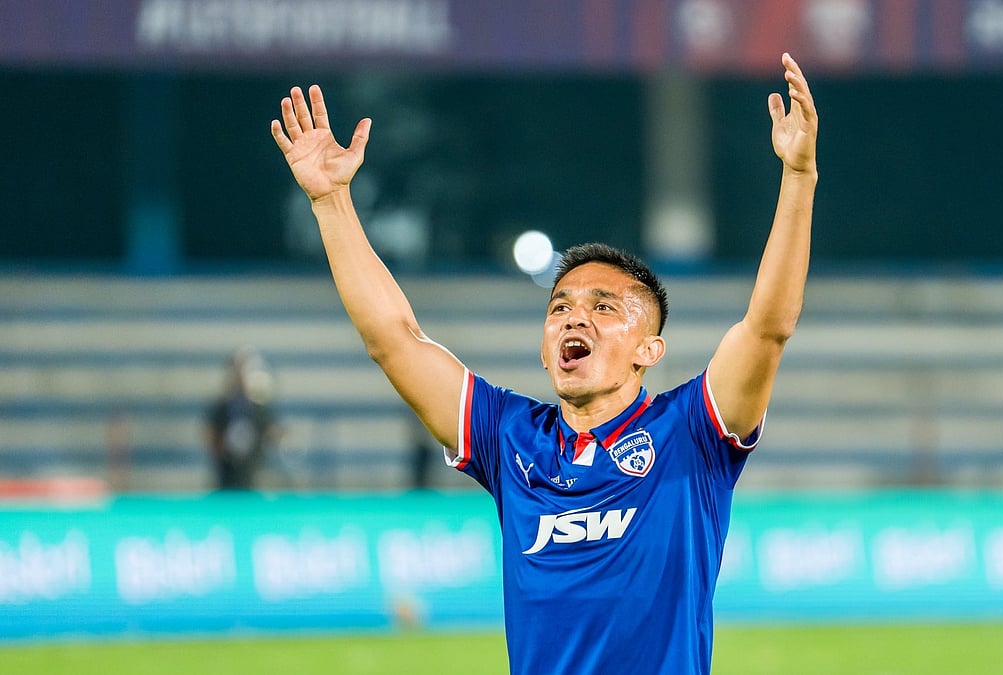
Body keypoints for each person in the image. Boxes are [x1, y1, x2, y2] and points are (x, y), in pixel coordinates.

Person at [271, 52, 817, 675]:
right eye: (560, 305)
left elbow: (768, 328)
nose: (574, 317)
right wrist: (331, 201)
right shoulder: (511, 437)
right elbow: (396, 341)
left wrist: (798, 176)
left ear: (649, 350)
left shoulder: (691, 433)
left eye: (604, 306)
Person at [205, 347, 279, 490]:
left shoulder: (259, 407)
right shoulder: (222, 406)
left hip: (253, 472)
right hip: (227, 471)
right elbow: (210, 435)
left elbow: (270, 433)